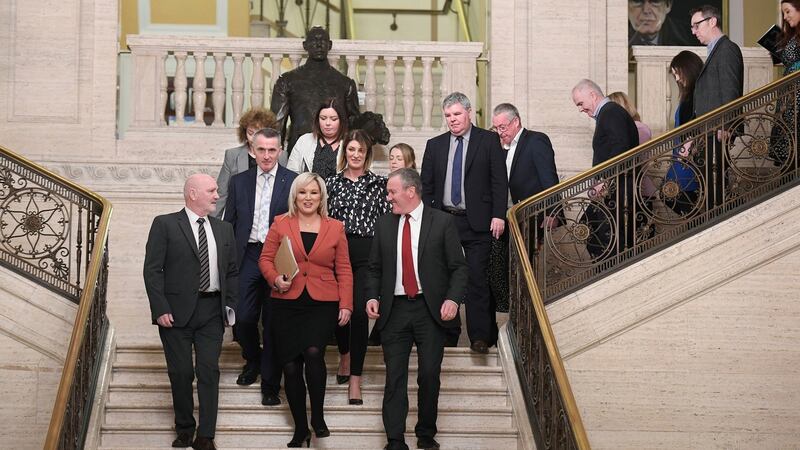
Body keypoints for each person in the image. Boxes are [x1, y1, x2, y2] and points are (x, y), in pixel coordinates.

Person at [365, 168, 468, 450]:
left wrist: (452, 300)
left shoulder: (443, 222)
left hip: (429, 310)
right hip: (394, 310)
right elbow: (374, 268)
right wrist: (371, 296)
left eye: (392, 192)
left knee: (428, 374)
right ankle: (395, 439)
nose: (388, 198)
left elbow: (459, 269)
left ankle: (425, 434)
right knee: (394, 376)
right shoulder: (385, 224)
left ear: (411, 191)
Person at [143, 174, 238, 450]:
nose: (216, 195)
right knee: (181, 372)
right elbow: (152, 270)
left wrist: (230, 305)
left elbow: (232, 271)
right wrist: (159, 308)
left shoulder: (224, 229)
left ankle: (206, 435)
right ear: (193, 194)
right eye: (211, 191)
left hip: (212, 311)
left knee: (209, 370)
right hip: (175, 313)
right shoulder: (165, 224)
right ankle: (185, 428)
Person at [258, 172, 353, 448]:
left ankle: (318, 418)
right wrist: (275, 279)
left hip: (322, 302)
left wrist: (346, 304)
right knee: (289, 364)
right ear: (295, 196)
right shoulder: (281, 223)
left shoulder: (335, 227)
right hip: (286, 301)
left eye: (313, 193)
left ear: (321, 196)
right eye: (302, 192)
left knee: (313, 353)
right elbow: (265, 260)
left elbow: (344, 270)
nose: (308, 198)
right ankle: (300, 429)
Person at [420, 92, 508, 353]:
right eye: (448, 116)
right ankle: (448, 332)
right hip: (444, 222)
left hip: (478, 223)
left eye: (457, 114)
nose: (452, 120)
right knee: (443, 278)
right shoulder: (434, 145)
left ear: (469, 112)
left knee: (477, 279)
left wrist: (498, 214)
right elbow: (427, 186)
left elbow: (498, 181)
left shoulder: (489, 140)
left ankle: (480, 337)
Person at [223, 128, 297, 405]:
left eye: (272, 150)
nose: (267, 155)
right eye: (261, 150)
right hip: (248, 255)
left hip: (279, 256)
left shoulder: (292, 181)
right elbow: (229, 221)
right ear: (252, 151)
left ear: (280, 151)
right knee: (242, 318)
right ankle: (252, 359)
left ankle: (269, 385)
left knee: (274, 323)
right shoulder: (238, 182)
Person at [325, 129, 392, 405]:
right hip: (337, 252)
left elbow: (387, 223)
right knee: (340, 311)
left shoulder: (379, 184)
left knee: (362, 315)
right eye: (351, 150)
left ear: (367, 155)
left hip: (368, 252)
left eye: (360, 151)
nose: (355, 155)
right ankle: (344, 354)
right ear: (345, 153)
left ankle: (356, 379)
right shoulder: (331, 184)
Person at [490, 103, 559, 310]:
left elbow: (549, 178)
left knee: (521, 266)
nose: (499, 133)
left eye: (503, 127)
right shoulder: (500, 146)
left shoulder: (536, 140)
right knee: (497, 264)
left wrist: (552, 211)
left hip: (530, 216)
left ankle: (521, 306)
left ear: (516, 121)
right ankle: (505, 307)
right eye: (496, 128)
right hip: (505, 216)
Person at [571, 79, 640, 259]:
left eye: (580, 103)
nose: (580, 109)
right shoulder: (609, 112)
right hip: (614, 188)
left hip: (617, 189)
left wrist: (604, 179)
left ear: (592, 95)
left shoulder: (610, 112)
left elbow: (620, 147)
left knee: (608, 239)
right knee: (595, 233)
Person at [270, 26, 360, 153]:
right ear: (305, 45)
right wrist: (274, 153)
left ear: (329, 45)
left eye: (322, 41)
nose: (318, 45)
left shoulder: (345, 84)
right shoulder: (287, 81)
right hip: (299, 151)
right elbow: (277, 125)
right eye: (314, 40)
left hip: (335, 152)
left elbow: (354, 125)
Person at [690, 4, 744, 211]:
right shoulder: (715, 50)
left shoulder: (727, 49)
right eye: (692, 27)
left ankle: (717, 215)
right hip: (709, 129)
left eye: (697, 25)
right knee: (710, 180)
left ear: (712, 21)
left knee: (718, 180)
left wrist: (727, 124)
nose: (694, 31)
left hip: (719, 128)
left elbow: (731, 90)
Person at [214, 108, 278, 218]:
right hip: (240, 218)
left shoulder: (281, 156)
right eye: (250, 133)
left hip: (270, 218)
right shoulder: (232, 155)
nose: (254, 138)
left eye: (259, 133)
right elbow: (221, 194)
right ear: (244, 133)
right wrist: (213, 226)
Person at [665, 50, 705, 216]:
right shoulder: (687, 95)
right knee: (668, 194)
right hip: (680, 157)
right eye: (674, 74)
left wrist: (686, 148)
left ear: (688, 69)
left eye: (678, 73)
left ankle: (698, 225)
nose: (677, 78)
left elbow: (697, 122)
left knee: (672, 195)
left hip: (686, 158)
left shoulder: (698, 94)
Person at [769, 0, 800, 165]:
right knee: (787, 138)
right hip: (789, 93)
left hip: (797, 94)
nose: (785, 16)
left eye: (788, 11)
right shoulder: (792, 35)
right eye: (783, 13)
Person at [287, 98, 348, 181]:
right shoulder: (304, 141)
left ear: (341, 121)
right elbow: (291, 175)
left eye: (333, 119)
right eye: (323, 118)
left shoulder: (349, 143)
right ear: (317, 120)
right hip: (308, 192)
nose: (327, 123)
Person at [628, 0, 695, 46]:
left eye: (655, 1)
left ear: (668, 5)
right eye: (637, 1)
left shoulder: (691, 36)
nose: (646, 10)